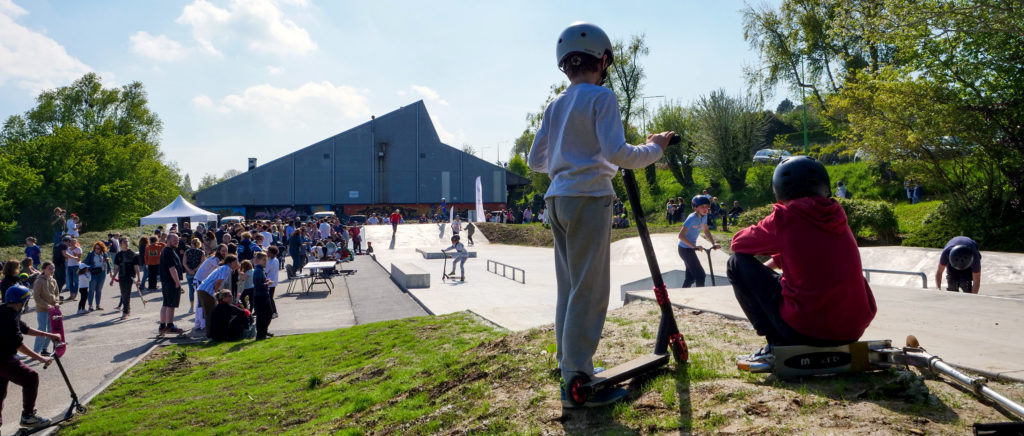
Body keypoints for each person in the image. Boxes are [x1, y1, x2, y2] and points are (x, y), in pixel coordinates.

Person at [526, 22, 672, 408]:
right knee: (589, 292)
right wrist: (654, 148)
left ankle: (569, 363)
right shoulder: (602, 97)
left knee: (570, 288)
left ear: (565, 65)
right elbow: (618, 153)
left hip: (556, 200)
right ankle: (578, 380)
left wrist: (567, 159)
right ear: (603, 59)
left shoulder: (555, 104)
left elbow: (535, 159)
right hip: (589, 197)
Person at [728, 156, 877, 362]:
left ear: (779, 190)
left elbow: (738, 243)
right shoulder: (835, 213)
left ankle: (776, 343)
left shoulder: (785, 217)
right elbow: (812, 246)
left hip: (805, 330)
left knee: (736, 262)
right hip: (852, 330)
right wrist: (776, 260)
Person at [0, 285, 62, 429]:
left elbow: (25, 329)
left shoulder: (5, 310)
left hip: (2, 358)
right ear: (21, 302)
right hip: (3, 358)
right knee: (30, 377)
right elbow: (18, 345)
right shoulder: (10, 316)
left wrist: (49, 335)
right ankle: (28, 417)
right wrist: (41, 358)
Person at [677, 196, 719, 288]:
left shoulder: (705, 216)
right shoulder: (692, 218)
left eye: (706, 206)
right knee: (700, 275)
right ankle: (701, 297)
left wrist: (713, 243)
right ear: (695, 207)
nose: (705, 209)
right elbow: (680, 236)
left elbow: (706, 230)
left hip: (690, 249)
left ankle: (683, 294)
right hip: (684, 250)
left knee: (690, 277)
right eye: (702, 207)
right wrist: (693, 246)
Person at [197, 254, 238, 335]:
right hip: (206, 291)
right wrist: (218, 295)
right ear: (230, 262)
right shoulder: (226, 268)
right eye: (235, 262)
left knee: (211, 312)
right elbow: (218, 282)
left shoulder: (226, 268)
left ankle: (212, 332)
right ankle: (210, 334)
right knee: (210, 313)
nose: (237, 264)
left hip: (204, 290)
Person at [158, 234, 185, 335]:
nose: (176, 242)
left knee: (166, 304)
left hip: (166, 282)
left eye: (177, 240)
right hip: (170, 282)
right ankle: (170, 326)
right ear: (168, 240)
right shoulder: (168, 252)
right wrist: (177, 282)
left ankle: (162, 326)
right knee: (171, 305)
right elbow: (172, 268)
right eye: (174, 240)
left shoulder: (168, 251)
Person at [31, 263, 59, 356]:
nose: (52, 270)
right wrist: (46, 305)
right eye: (49, 268)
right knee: (42, 330)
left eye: (53, 268)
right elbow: (36, 297)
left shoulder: (53, 280)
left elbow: (56, 293)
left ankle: (44, 349)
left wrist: (57, 302)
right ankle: (36, 352)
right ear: (44, 269)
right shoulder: (39, 281)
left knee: (51, 330)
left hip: (52, 310)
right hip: (42, 309)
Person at [113, 236, 141, 320]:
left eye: (127, 241)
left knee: (127, 294)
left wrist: (139, 278)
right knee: (123, 293)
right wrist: (112, 278)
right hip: (121, 276)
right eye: (124, 242)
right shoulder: (119, 254)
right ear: (121, 244)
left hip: (130, 277)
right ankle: (127, 310)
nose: (126, 243)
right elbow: (117, 267)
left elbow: (136, 267)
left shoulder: (133, 254)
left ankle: (125, 312)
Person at [251, 253, 274, 340]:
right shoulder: (257, 271)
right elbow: (258, 285)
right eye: (263, 260)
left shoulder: (260, 270)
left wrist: (265, 281)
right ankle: (261, 334)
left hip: (263, 294)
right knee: (262, 315)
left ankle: (264, 330)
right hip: (260, 296)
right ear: (258, 260)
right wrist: (267, 283)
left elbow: (260, 282)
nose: (265, 262)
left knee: (269, 313)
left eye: (266, 260)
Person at [82, 242, 109, 311]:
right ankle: (90, 306)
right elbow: (85, 263)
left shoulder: (104, 254)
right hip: (93, 273)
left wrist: (110, 271)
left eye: (98, 248)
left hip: (102, 273)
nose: (97, 250)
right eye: (95, 248)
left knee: (99, 290)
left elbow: (107, 263)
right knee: (91, 289)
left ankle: (98, 305)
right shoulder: (91, 254)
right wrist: (89, 268)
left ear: (101, 249)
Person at [183, 238, 204, 313]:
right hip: (198, 273)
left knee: (191, 290)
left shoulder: (187, 252)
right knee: (199, 289)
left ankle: (191, 307)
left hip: (189, 272)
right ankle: (199, 306)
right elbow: (202, 263)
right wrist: (195, 269)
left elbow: (184, 263)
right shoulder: (201, 252)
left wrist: (189, 270)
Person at [265, 246, 280, 318]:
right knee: (270, 298)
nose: (267, 253)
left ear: (271, 253)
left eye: (268, 252)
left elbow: (265, 273)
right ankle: (273, 312)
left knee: (270, 298)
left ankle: (274, 312)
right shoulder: (276, 260)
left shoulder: (269, 262)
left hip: (269, 282)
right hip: (274, 281)